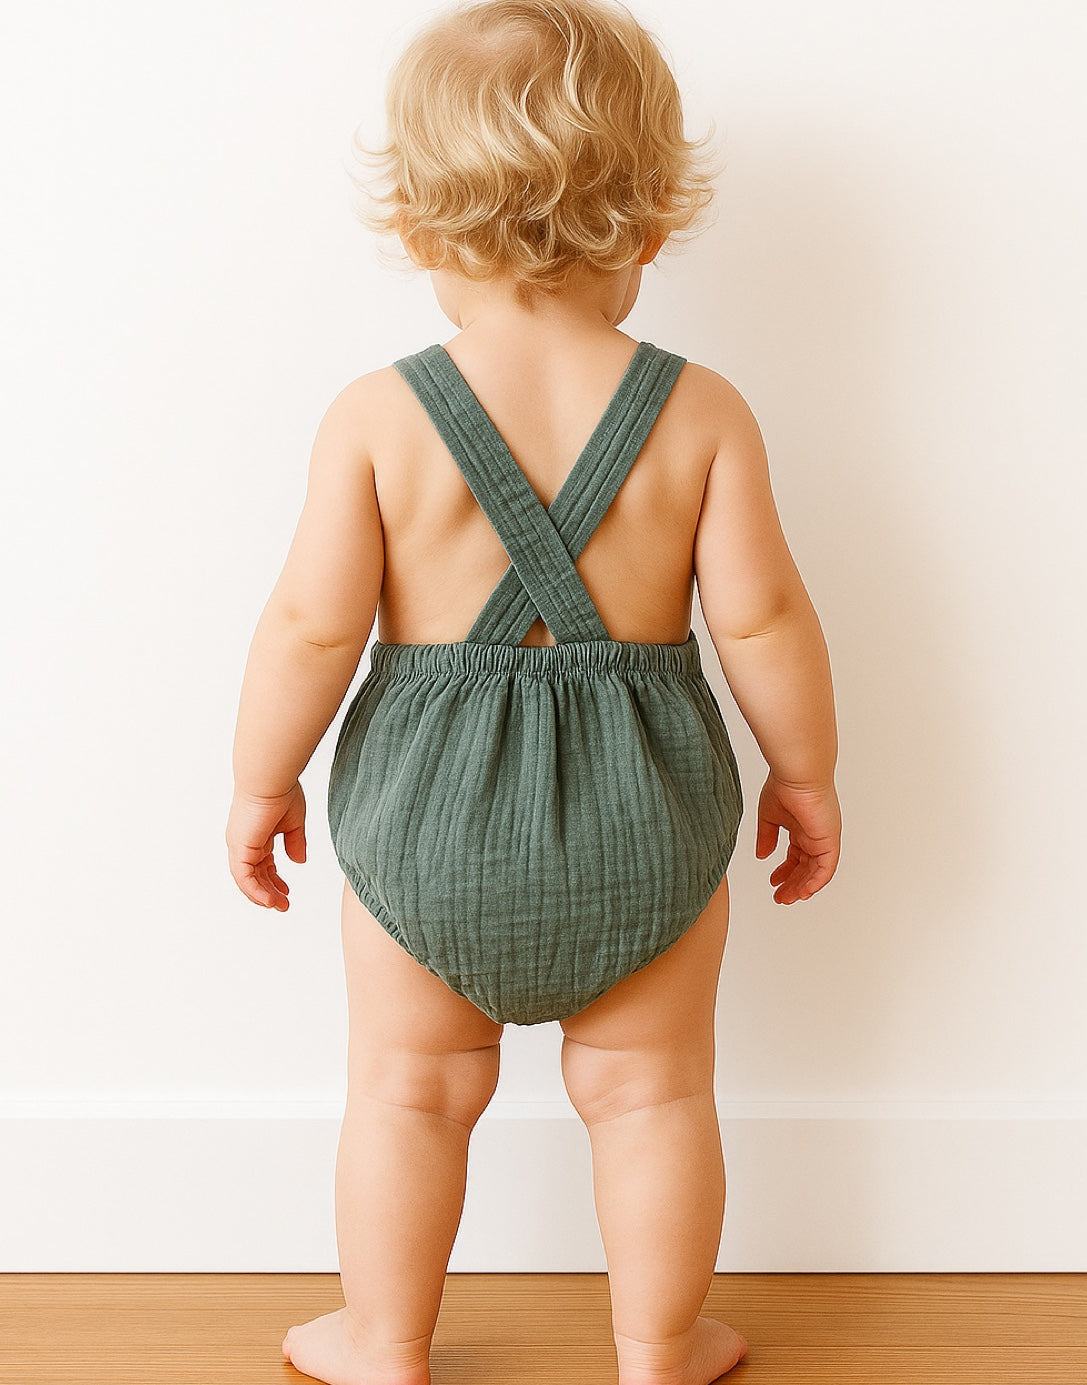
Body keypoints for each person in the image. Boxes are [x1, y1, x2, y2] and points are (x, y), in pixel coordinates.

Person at [226, 0, 841, 1380]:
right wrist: (806, 771)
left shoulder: (378, 419)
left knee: (406, 1090)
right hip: (649, 818)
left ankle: (384, 1342)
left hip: (425, 830)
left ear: (425, 231)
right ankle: (657, 1344)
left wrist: (262, 776)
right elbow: (764, 620)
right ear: (650, 225)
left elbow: (311, 628)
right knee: (653, 1093)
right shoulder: (701, 413)